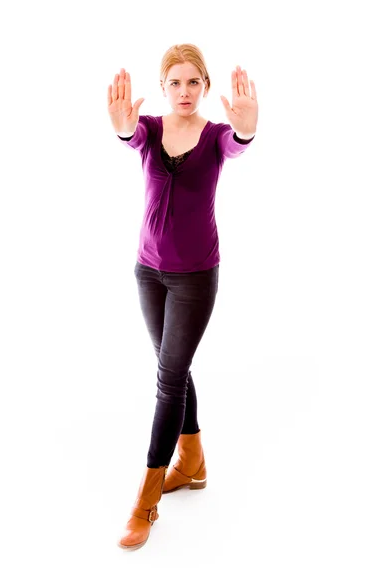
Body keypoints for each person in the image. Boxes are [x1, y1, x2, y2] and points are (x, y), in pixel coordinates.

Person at [107, 43, 258, 550]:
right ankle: (192, 461)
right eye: (175, 82)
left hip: (195, 276)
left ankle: (145, 501)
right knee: (171, 366)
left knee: (168, 380)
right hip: (148, 270)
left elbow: (238, 145)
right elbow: (131, 137)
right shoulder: (151, 128)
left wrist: (247, 129)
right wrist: (123, 126)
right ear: (165, 87)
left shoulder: (215, 136)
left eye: (194, 82)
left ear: (206, 86)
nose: (185, 91)